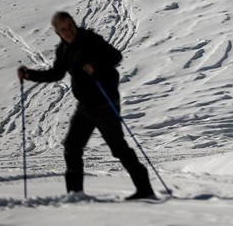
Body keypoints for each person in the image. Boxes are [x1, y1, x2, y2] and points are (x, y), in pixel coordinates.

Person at [17, 12, 155, 200]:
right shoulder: (63, 50)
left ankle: (145, 190)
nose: (69, 32)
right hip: (86, 106)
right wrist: (29, 75)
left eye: (70, 26)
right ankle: (75, 193)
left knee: (118, 148)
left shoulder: (91, 40)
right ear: (58, 32)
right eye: (63, 30)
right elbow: (56, 74)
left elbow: (116, 56)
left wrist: (96, 66)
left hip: (105, 102)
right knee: (72, 147)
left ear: (74, 24)